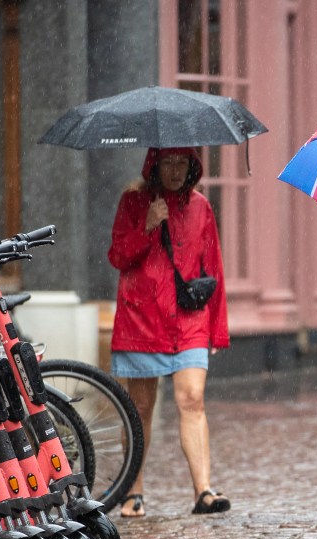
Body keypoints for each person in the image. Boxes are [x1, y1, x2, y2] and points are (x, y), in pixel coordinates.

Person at [108, 147, 231, 518]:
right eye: (169, 163)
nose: (176, 171)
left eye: (184, 163)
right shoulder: (133, 202)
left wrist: (218, 331)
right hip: (141, 318)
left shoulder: (201, 208)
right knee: (140, 409)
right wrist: (147, 226)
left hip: (189, 319)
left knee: (192, 398)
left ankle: (204, 491)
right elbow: (117, 257)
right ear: (154, 165)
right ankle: (134, 490)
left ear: (193, 166)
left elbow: (214, 269)